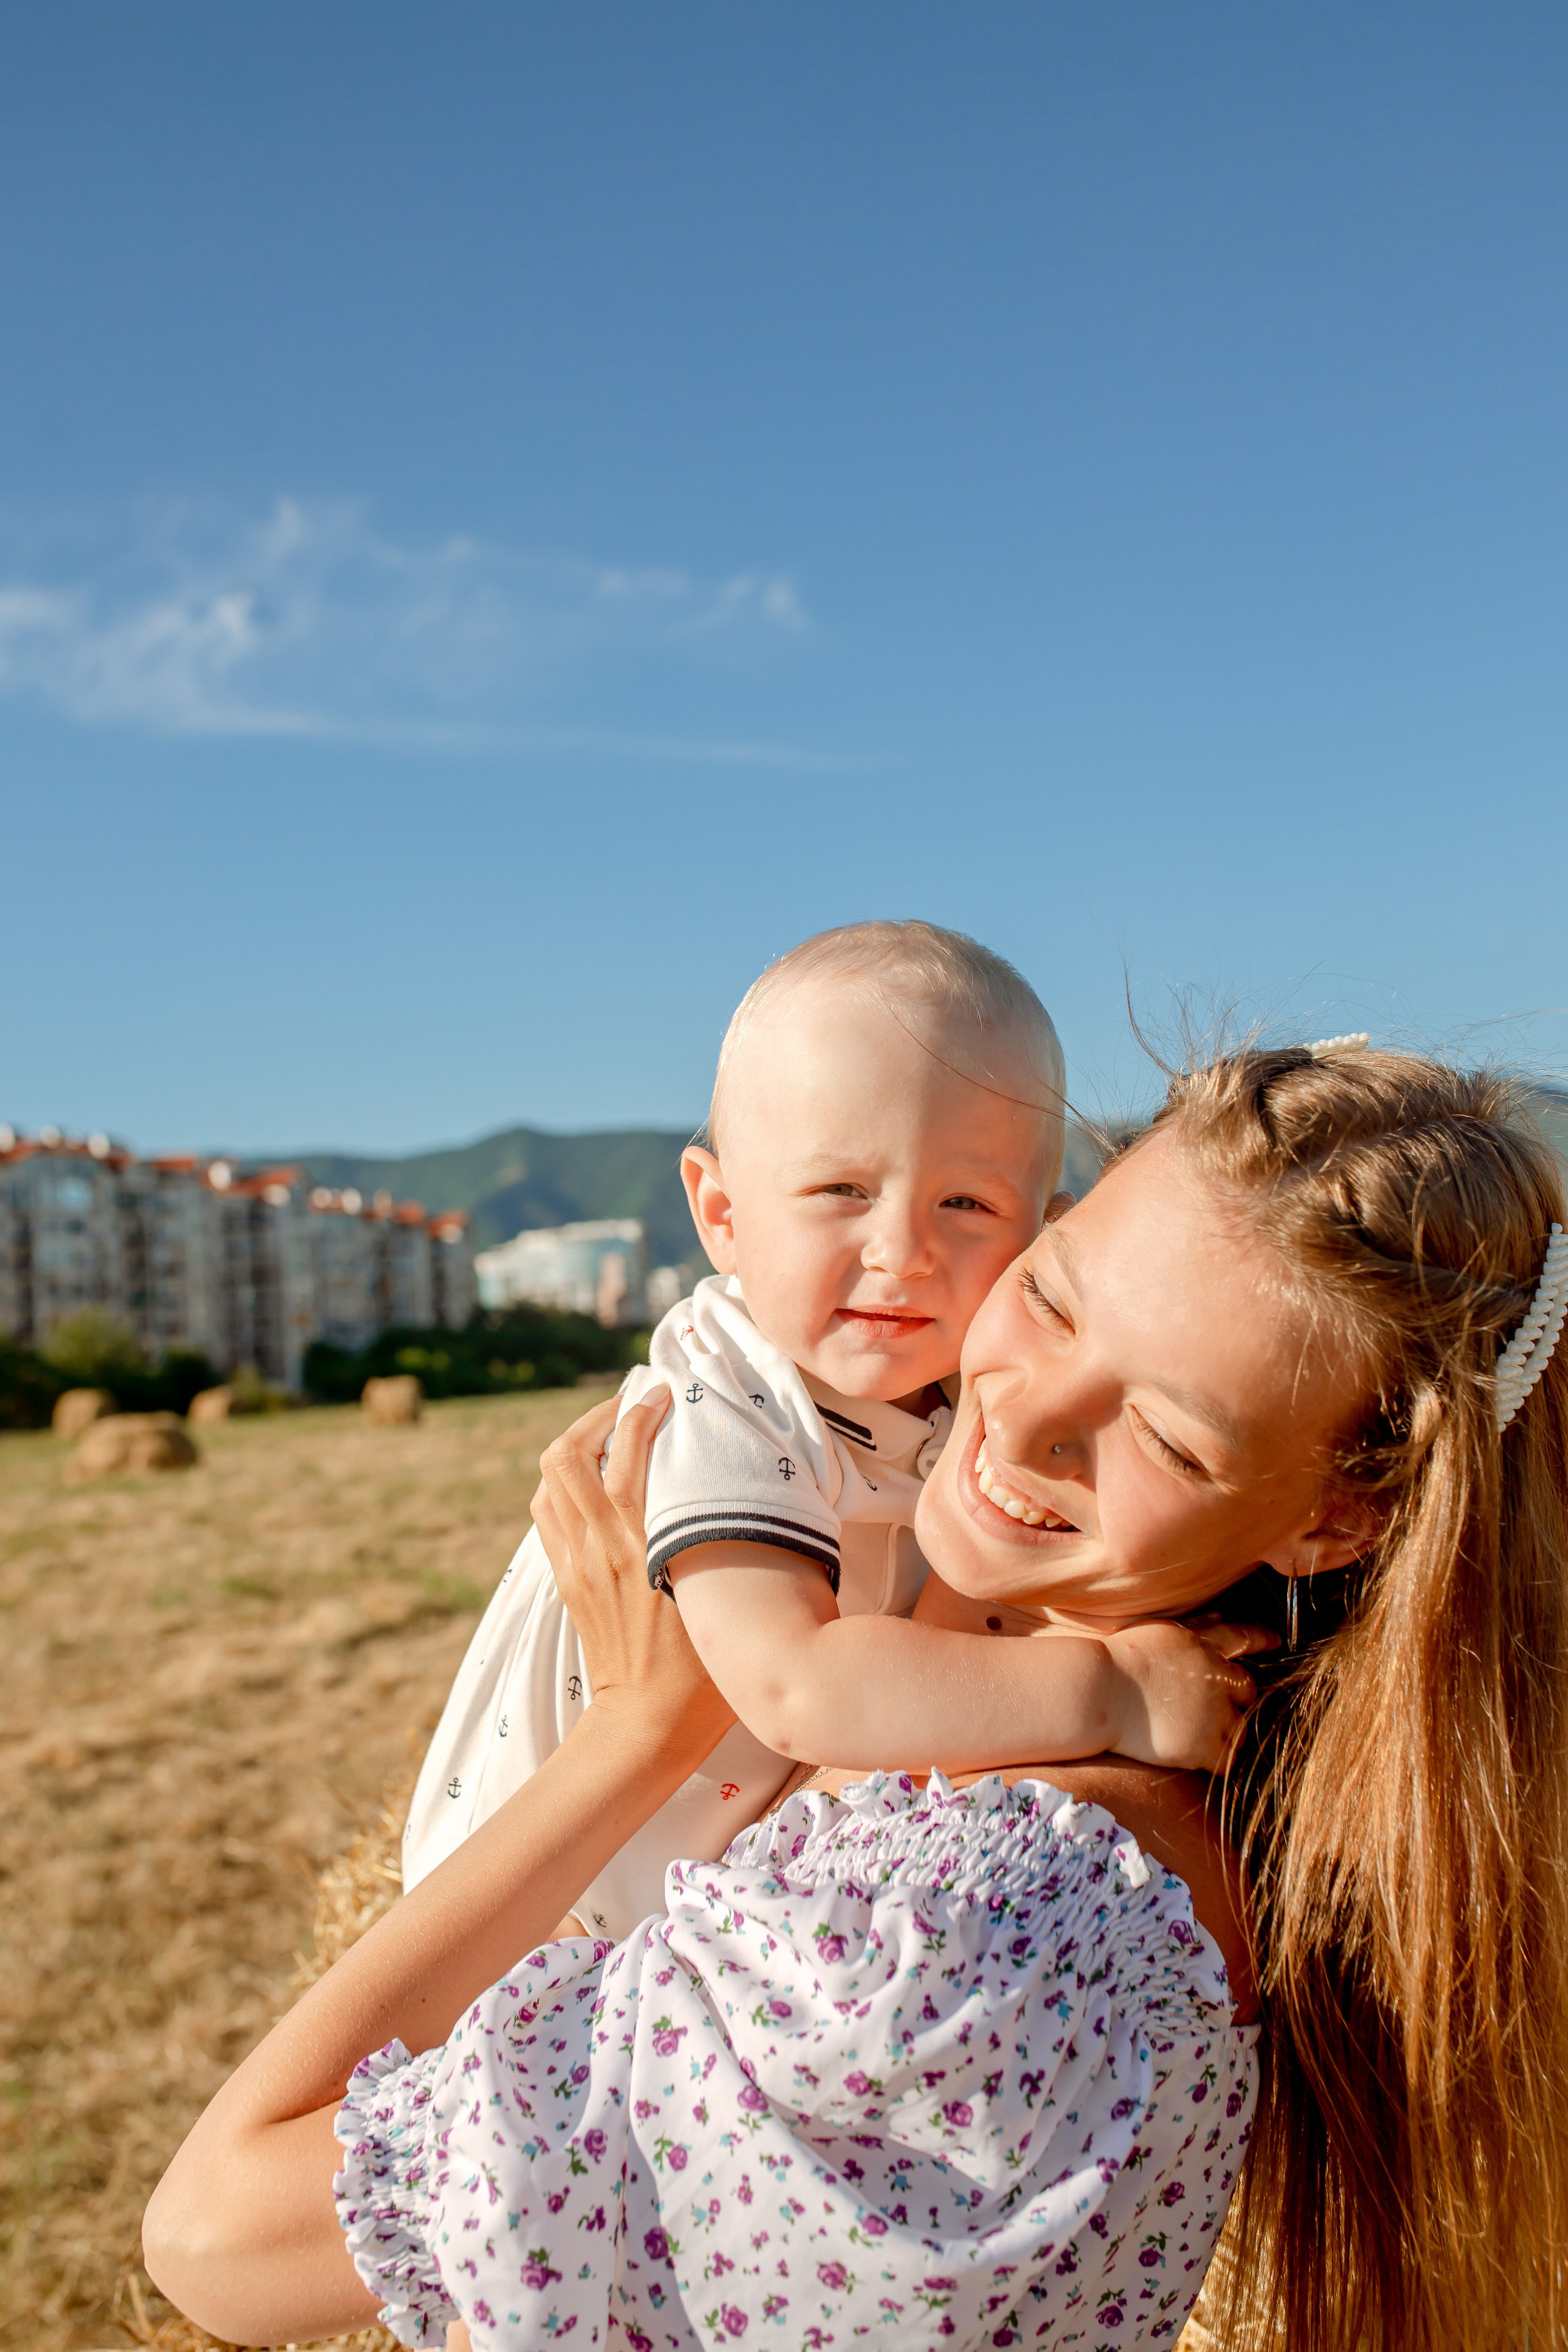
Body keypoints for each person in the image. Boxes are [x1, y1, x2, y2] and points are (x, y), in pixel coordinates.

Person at [144, 1044, 1568, 2351]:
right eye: (1052, 1294)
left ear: (1333, 1522)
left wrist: (638, 1732)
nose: (1020, 1414)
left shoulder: (960, 1938)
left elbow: (215, 2235)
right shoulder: (1070, 1789)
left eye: (1166, 1435)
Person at [404, 922, 1259, 1939]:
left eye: (967, 1202)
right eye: (841, 1191)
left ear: (1042, 1235)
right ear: (721, 1213)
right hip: (552, 1915)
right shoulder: (723, 1397)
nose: (901, 1249)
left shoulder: (971, 1396)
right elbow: (795, 1683)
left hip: (706, 1882)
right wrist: (1112, 1693)